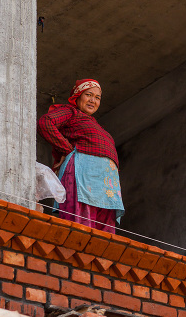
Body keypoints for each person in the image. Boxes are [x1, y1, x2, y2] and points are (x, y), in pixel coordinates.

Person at [37, 79, 124, 233]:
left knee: (104, 233)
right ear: (77, 96)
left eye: (97, 98)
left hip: (106, 184)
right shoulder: (71, 112)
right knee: (80, 226)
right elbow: (45, 122)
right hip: (82, 174)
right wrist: (67, 149)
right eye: (88, 95)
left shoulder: (95, 124)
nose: (93, 100)